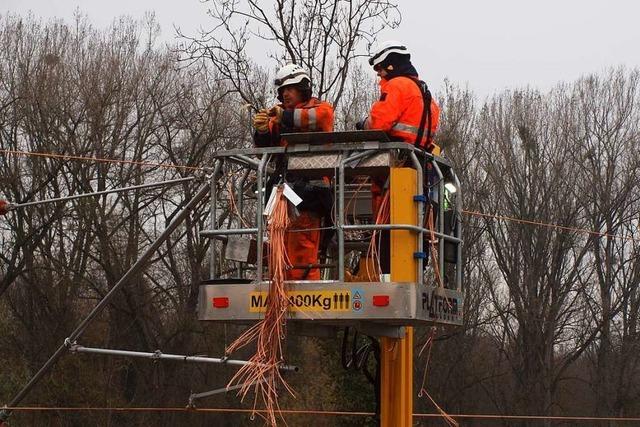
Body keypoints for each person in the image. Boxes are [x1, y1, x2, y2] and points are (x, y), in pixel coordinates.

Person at [358, 41, 441, 275]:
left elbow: (381, 122)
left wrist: (364, 124)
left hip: (394, 167)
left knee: (387, 228)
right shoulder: (426, 94)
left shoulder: (397, 86)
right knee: (415, 226)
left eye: (381, 69)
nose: (379, 75)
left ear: (391, 66)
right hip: (419, 166)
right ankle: (414, 272)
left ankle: (386, 274)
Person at [252, 64, 334, 280]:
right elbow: (266, 146)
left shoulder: (320, 109)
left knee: (302, 256)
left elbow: (316, 118)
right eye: (282, 91)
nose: (285, 94)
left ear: (303, 88)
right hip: (282, 193)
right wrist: (261, 131)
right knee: (278, 253)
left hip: (310, 193)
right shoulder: (279, 116)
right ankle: (279, 294)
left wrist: (283, 116)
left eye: (290, 89)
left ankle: (304, 303)